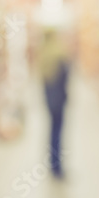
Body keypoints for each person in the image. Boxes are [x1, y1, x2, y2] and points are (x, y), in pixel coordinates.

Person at [40, 26, 69, 178]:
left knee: (52, 131)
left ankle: (52, 163)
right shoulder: (59, 55)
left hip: (49, 101)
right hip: (59, 101)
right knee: (58, 133)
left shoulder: (43, 55)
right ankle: (57, 166)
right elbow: (65, 80)